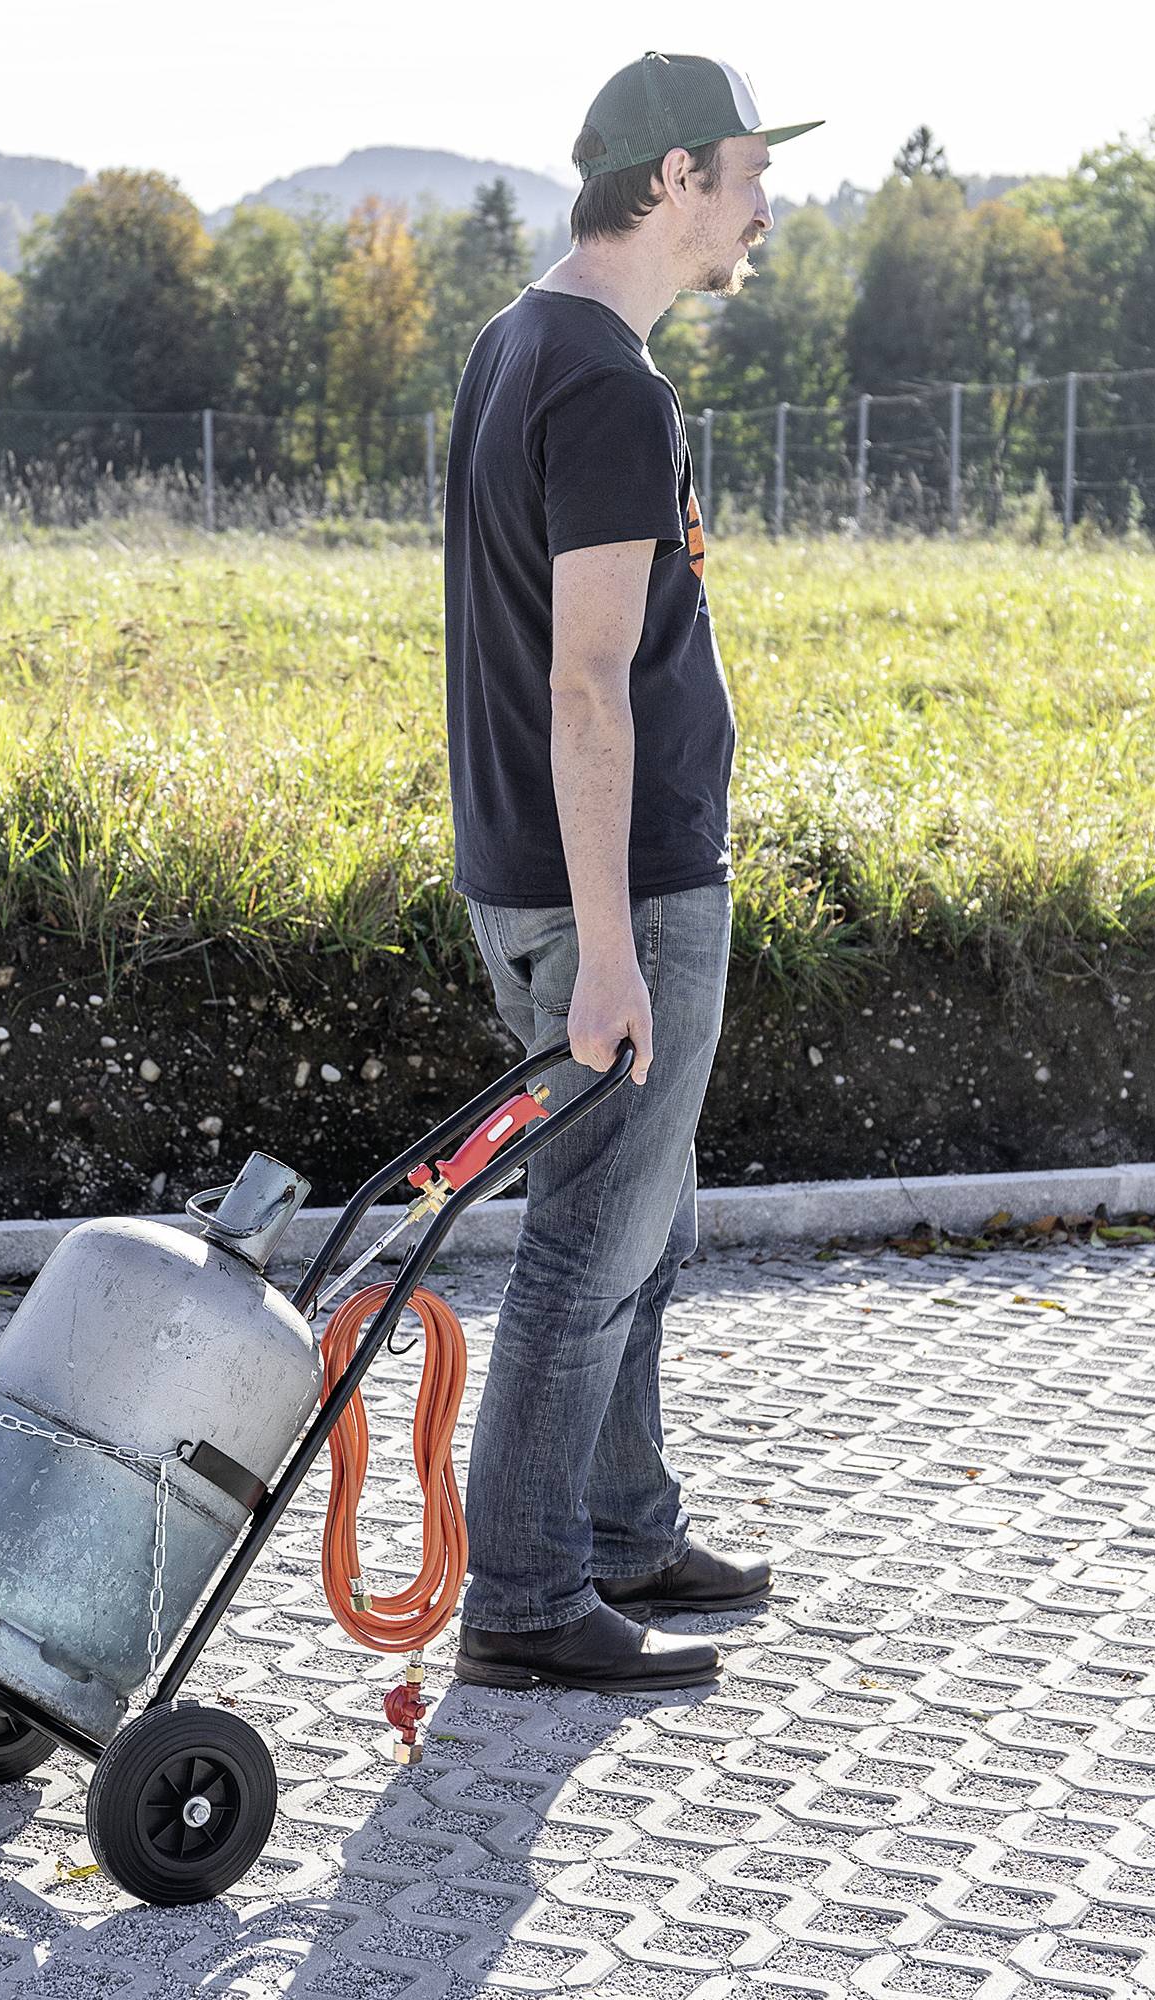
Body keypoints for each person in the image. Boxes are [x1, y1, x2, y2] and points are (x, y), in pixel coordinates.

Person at [443, 53, 817, 1693]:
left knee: (639, 1215)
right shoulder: (607, 384)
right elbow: (583, 680)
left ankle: (623, 1520)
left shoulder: (518, 339)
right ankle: (527, 1597)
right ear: (672, 178)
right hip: (620, 891)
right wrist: (608, 947)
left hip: (538, 867)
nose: (763, 206)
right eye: (745, 173)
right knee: (591, 1237)